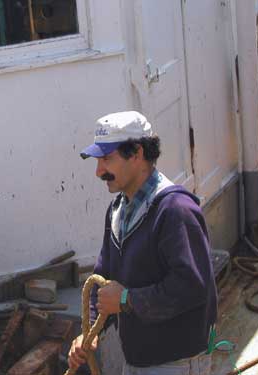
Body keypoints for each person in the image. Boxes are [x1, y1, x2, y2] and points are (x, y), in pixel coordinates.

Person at [67, 111, 218, 375]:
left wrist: (127, 299)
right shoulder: (118, 211)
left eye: (106, 159)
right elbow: (101, 279)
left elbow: (193, 287)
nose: (99, 171)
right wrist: (89, 333)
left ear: (136, 154)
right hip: (137, 363)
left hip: (175, 365)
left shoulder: (175, 211)